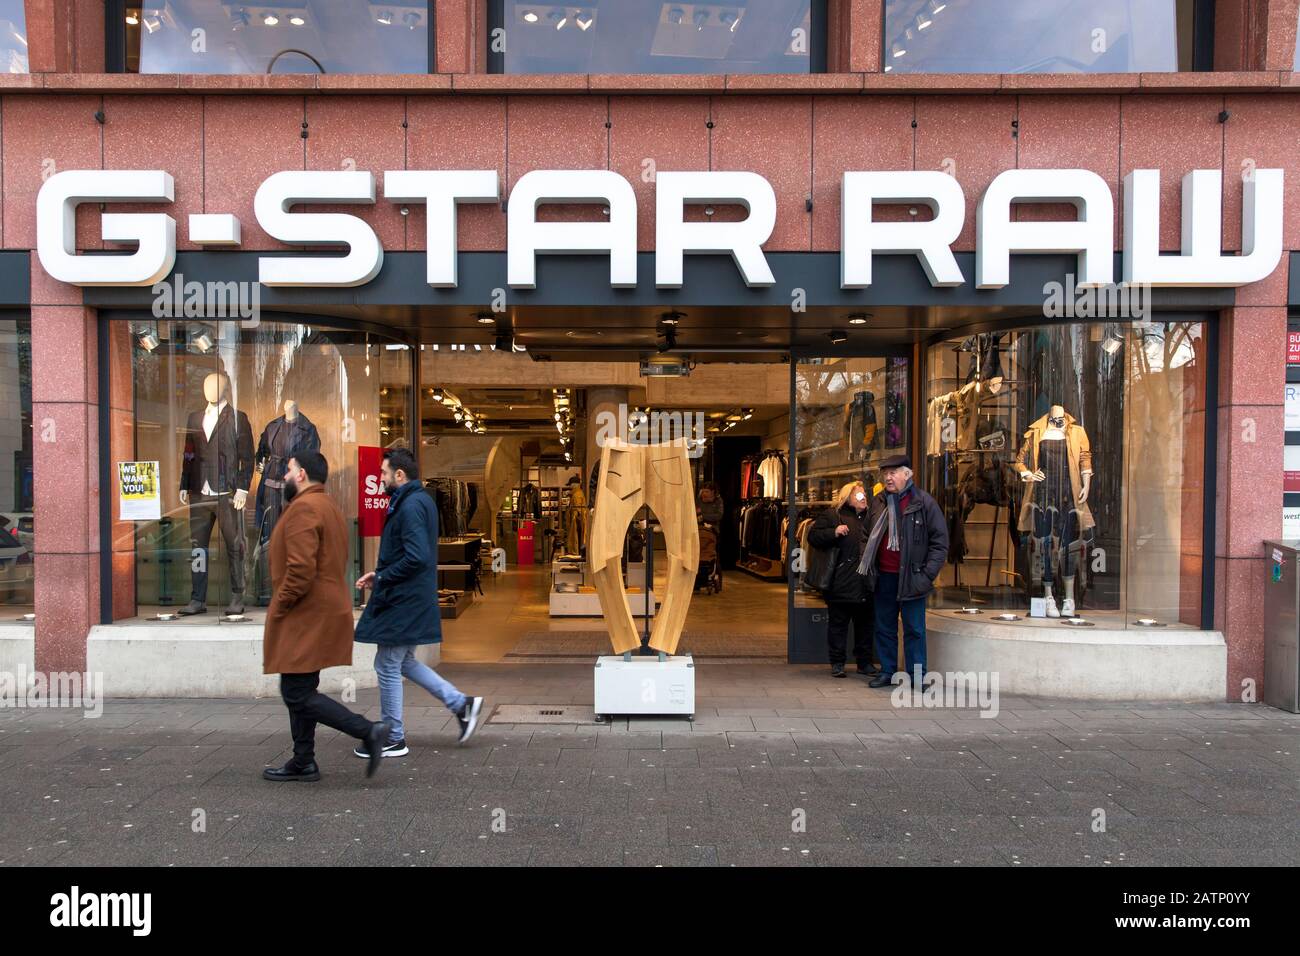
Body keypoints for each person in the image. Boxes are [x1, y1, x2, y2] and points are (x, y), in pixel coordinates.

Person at [261, 449, 393, 782]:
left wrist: (280, 605)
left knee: (296, 693)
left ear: (301, 474)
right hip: (321, 611)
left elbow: (301, 569)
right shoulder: (329, 506)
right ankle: (303, 760)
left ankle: (368, 731)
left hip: (306, 614)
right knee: (300, 686)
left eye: (289, 470)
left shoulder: (304, 508)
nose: (285, 477)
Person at [354, 447, 484, 756]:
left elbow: (415, 557)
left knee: (387, 663)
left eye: (384, 473)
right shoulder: (417, 501)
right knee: (404, 661)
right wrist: (380, 575)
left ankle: (393, 737)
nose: (380, 479)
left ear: (400, 475)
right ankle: (460, 704)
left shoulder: (410, 505)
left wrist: (383, 578)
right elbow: (414, 555)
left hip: (403, 600)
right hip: (409, 597)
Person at [858, 454, 949, 689]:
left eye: (893, 473)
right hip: (883, 576)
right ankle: (888, 672)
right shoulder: (878, 502)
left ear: (907, 474)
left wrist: (927, 575)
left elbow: (940, 543)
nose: (888, 478)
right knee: (884, 627)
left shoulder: (923, 502)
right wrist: (867, 566)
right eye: (885, 473)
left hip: (913, 577)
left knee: (914, 630)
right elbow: (865, 536)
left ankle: (917, 677)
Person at [807, 482, 880, 679]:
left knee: (865, 625)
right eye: (858, 496)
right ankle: (837, 663)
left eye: (865, 495)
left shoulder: (871, 517)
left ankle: (864, 663)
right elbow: (813, 536)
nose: (863, 498)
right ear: (847, 497)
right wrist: (834, 532)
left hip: (866, 582)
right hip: (840, 582)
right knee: (838, 625)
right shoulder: (833, 515)